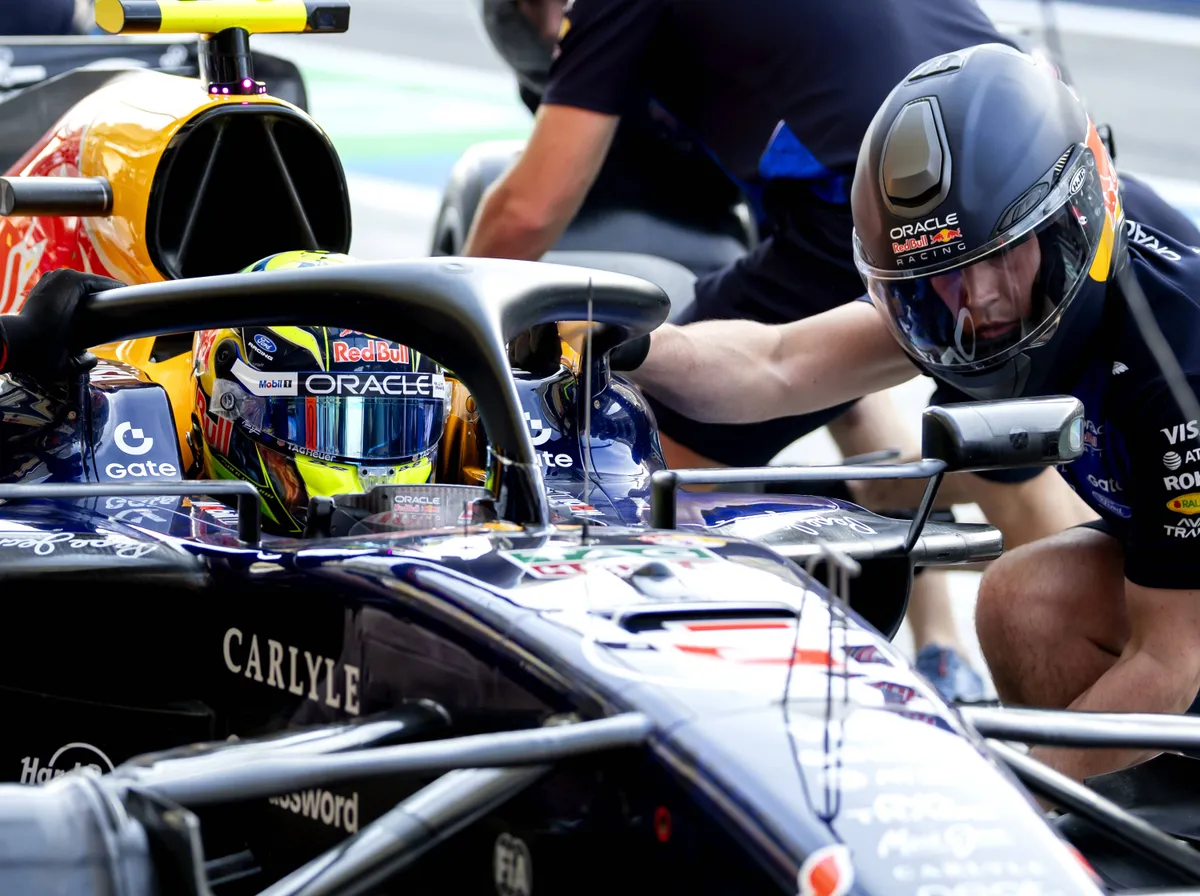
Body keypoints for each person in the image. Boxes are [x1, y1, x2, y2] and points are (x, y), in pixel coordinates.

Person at [613, 42, 1200, 782]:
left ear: (1070, 219)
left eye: (995, 261)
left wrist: (1002, 806)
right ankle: (1123, 838)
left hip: (1186, 634)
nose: (976, 300)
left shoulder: (1180, 360)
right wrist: (625, 343)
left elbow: (1171, 662)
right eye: (944, 277)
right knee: (1024, 600)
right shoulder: (984, 305)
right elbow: (776, 363)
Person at [465, 0, 1018, 701]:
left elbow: (526, 212)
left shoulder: (605, 18)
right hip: (994, 179)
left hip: (865, 211)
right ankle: (940, 639)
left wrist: (457, 343)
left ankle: (660, 695)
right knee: (995, 467)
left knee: (632, 465)